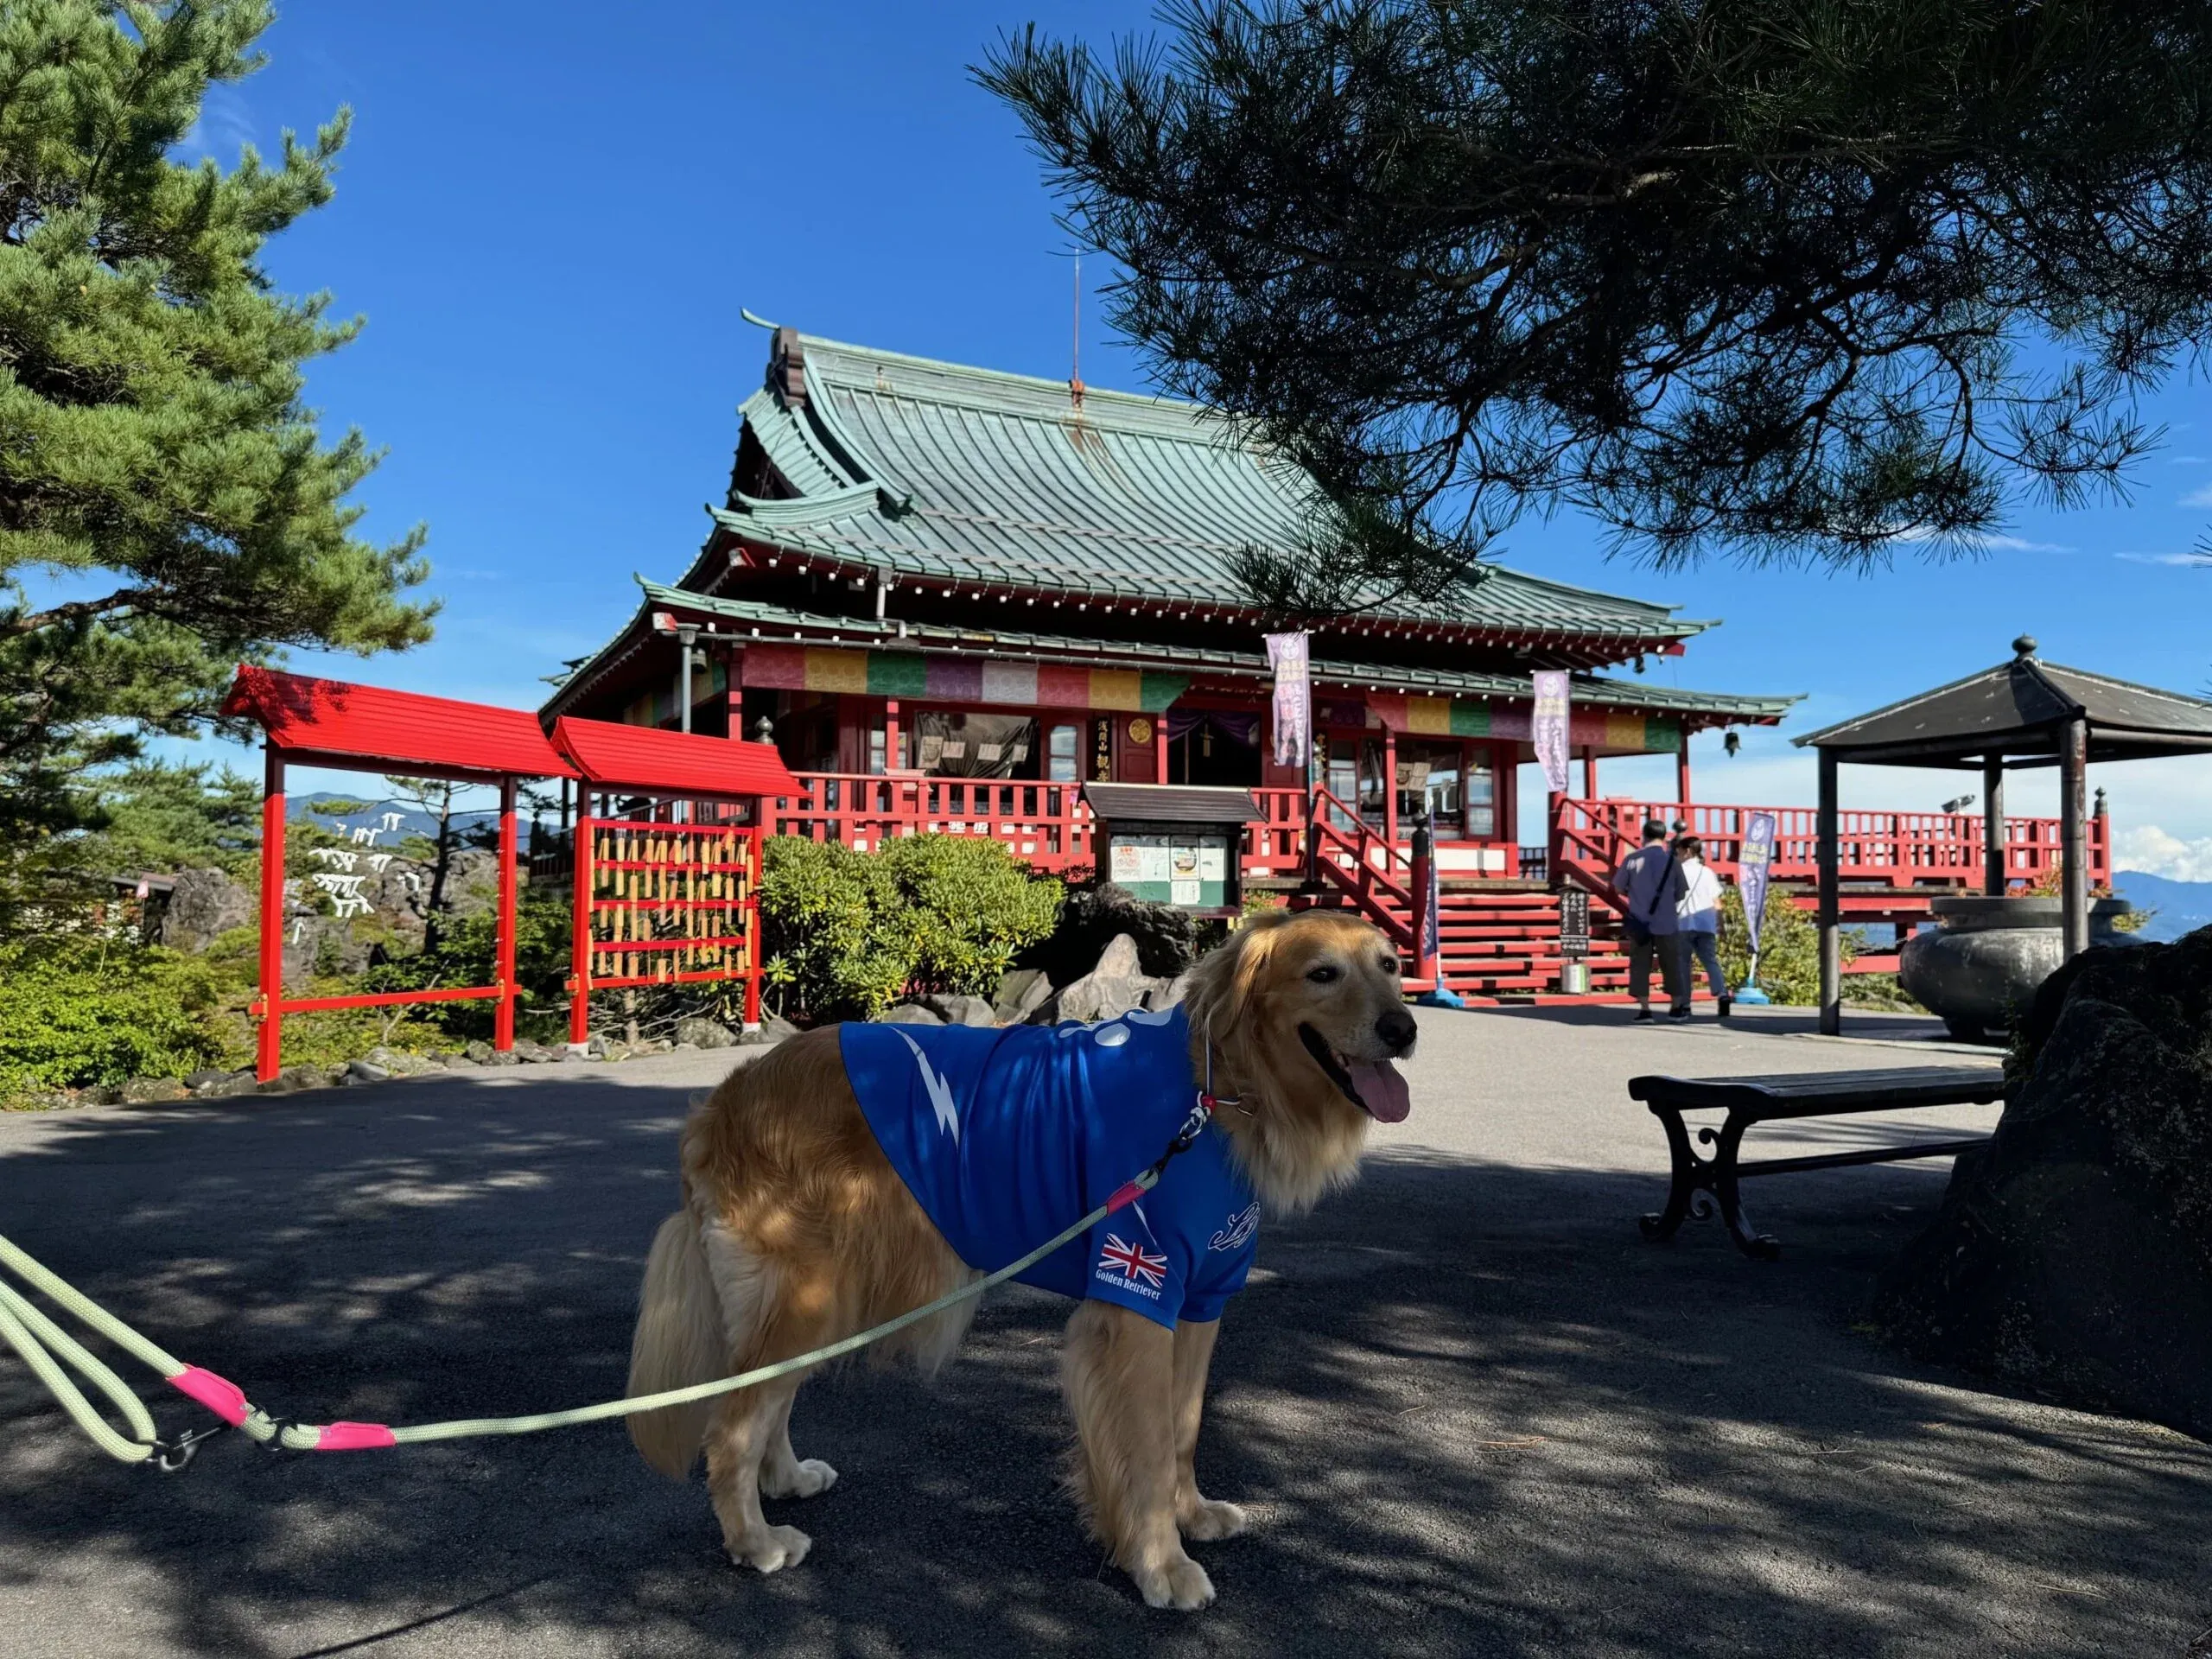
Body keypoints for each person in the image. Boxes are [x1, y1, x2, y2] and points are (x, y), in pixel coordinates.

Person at [1611, 819, 1687, 1021]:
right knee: (1671, 964)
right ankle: (1676, 1007)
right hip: (1667, 922)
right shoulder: (1673, 861)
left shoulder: (1632, 859)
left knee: (1640, 965)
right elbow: (1681, 893)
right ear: (1664, 837)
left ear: (1644, 836)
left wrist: (1635, 894)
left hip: (1640, 922)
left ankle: (1645, 1009)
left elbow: (1617, 888)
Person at [1673, 834, 1731, 1020]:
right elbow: (1717, 901)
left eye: (1679, 852)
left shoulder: (1677, 872)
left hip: (1683, 923)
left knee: (1683, 965)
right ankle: (1722, 994)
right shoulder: (1708, 872)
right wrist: (1720, 923)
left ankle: (1685, 1003)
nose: (1678, 855)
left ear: (1687, 851)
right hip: (1706, 924)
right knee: (1710, 961)